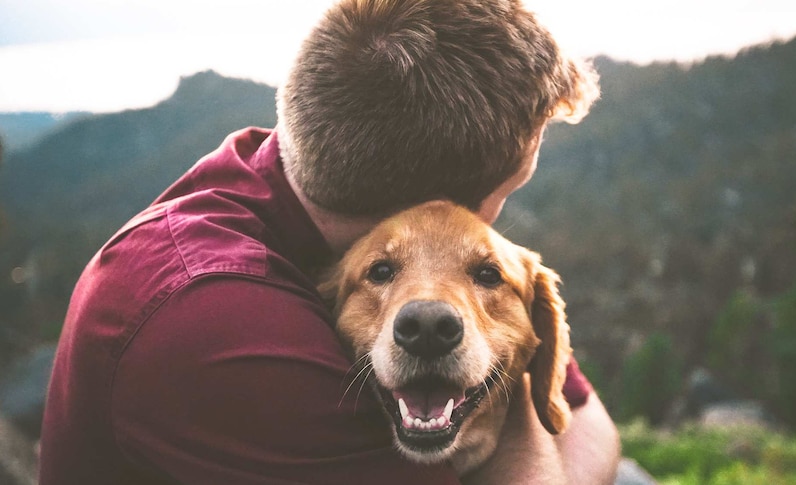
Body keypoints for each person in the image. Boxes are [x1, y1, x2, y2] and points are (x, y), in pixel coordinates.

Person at [39, 0, 620, 483]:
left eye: (483, 268)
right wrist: (511, 382)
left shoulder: (298, 173)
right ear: (438, 206)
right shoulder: (217, 323)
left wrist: (512, 366)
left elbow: (587, 420)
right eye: (508, 190)